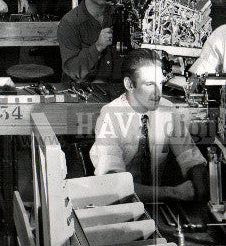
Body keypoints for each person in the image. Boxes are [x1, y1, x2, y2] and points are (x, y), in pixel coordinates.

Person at [89, 49, 209, 204]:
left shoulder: (167, 109)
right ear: (129, 84)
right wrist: (173, 192)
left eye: (160, 83)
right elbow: (115, 185)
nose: (158, 93)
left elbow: (190, 156)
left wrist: (201, 188)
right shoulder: (109, 116)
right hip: (118, 203)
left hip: (156, 201)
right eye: (149, 84)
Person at [57, 0, 121, 83]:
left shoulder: (118, 16)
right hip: (83, 93)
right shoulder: (69, 23)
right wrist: (97, 47)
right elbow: (73, 71)